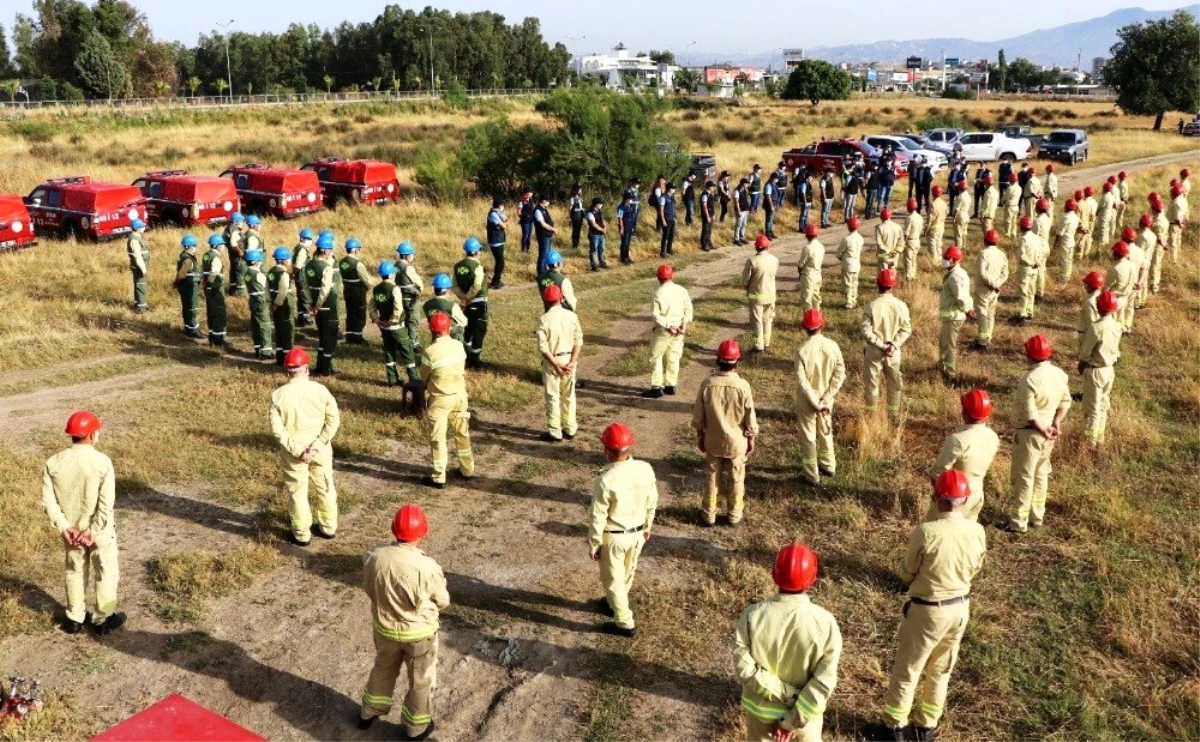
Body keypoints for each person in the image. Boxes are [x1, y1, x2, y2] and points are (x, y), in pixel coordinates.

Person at [873, 470, 987, 742]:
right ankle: (926, 726)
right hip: (959, 608)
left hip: (927, 609)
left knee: (908, 669)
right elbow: (977, 567)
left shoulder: (925, 532)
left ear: (937, 498)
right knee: (941, 670)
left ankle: (894, 727)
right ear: (967, 498)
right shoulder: (977, 531)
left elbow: (906, 571)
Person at [733, 543, 842, 742]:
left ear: (774, 574)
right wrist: (791, 718)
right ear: (812, 578)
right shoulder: (826, 623)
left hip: (760, 717)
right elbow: (824, 682)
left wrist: (784, 694)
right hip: (805, 722)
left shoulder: (751, 617)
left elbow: (744, 669)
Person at [358, 504, 449, 739]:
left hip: (385, 630)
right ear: (423, 532)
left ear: (393, 529)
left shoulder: (373, 557)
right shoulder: (427, 567)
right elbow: (442, 601)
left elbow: (368, 587)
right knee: (420, 680)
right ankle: (416, 728)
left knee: (383, 668)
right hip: (419, 635)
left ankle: (368, 713)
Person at [42, 410, 124, 635]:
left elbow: (48, 501)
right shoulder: (102, 462)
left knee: (74, 571)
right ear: (92, 434)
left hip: (71, 532)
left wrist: (65, 527)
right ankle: (102, 618)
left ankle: (75, 618)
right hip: (100, 533)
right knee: (105, 571)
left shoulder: (53, 462)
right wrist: (92, 531)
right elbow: (106, 504)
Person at [589, 422, 658, 637]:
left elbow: (598, 515)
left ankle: (624, 622)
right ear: (630, 447)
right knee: (627, 573)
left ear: (606, 450)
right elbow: (652, 500)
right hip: (637, 534)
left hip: (614, 537)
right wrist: (648, 526)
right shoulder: (645, 469)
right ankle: (613, 603)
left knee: (613, 580)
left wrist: (594, 543)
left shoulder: (605, 480)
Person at [998, 335, 1071, 534]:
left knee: (1024, 478)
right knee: (1041, 475)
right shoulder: (1060, 374)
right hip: (1049, 434)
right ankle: (1037, 516)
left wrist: (1041, 427)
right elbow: (1065, 402)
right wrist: (1055, 423)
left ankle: (1018, 523)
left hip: (1031, 434)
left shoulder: (1029, 379)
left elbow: (1030, 414)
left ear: (1028, 354)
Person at [270, 348, 340, 545]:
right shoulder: (321, 391)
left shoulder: (278, 395)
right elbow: (332, 422)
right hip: (321, 450)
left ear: (287, 371)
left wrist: (298, 450)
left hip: (294, 453)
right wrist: (316, 446)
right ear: (307, 368)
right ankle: (328, 526)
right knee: (325, 485)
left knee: (297, 491)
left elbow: (278, 431)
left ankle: (301, 532)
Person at [692, 340, 757, 527]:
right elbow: (749, 416)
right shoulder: (743, 386)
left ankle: (708, 515)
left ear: (717, 360)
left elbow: (698, 416)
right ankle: (734, 515)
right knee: (737, 479)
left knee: (712, 477)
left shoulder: (707, 384)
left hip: (713, 441)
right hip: (738, 443)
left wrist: (700, 436)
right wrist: (751, 437)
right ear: (738, 362)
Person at [420, 312, 474, 489]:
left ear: (431, 330)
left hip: (440, 399)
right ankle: (467, 469)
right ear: (449, 328)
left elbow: (424, 376)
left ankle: (439, 476)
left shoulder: (429, 352)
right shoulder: (459, 346)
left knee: (438, 439)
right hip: (459, 396)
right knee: (462, 433)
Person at [927, 389, 999, 522]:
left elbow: (938, 473)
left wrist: (938, 496)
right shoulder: (993, 437)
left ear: (964, 413)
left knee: (938, 531)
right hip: (978, 493)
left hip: (954, 496)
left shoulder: (957, 440)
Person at [795, 309, 845, 487]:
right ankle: (829, 465)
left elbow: (802, 381)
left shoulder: (802, 350)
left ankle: (811, 474)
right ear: (822, 325)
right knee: (825, 430)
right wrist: (826, 398)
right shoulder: (833, 346)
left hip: (807, 401)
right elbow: (840, 374)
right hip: (826, 400)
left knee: (808, 436)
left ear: (804, 328)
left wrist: (815, 402)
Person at [862, 269, 911, 421]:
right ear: (893, 286)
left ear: (877, 284)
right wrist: (894, 345)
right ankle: (894, 414)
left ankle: (871, 416)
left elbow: (865, 330)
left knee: (872, 384)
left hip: (874, 351)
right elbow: (906, 329)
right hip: (893, 353)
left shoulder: (871, 306)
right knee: (895, 383)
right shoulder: (901, 306)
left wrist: (880, 344)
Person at [537, 285, 583, 443]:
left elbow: (543, 347)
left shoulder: (543, 320)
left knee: (552, 397)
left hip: (552, 361)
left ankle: (555, 432)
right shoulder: (571, 316)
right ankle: (570, 428)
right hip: (569, 358)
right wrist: (572, 361)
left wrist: (556, 365)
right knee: (569, 396)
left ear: (545, 301)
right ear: (561, 298)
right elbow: (578, 340)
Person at [1079, 290, 1122, 448]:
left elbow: (1085, 353)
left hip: (1095, 370)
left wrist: (1082, 366)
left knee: (1092, 409)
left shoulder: (1096, 328)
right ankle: (1099, 438)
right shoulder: (1117, 326)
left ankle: (1089, 443)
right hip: (1109, 370)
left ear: (1098, 307)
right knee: (1103, 406)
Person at [644, 264, 693, 398]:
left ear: (658, 278)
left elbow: (656, 315)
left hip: (663, 329)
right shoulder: (682, 290)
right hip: (679, 328)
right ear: (672, 276)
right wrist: (684, 324)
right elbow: (688, 309)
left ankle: (656, 387)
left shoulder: (658, 293)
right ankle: (671, 385)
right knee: (674, 356)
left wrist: (667, 325)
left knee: (656, 356)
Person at [371, 261, 419, 387]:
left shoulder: (376, 289)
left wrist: (377, 320)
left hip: (384, 327)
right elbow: (398, 309)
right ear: (392, 275)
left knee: (389, 351)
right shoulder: (395, 289)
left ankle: (392, 380)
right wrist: (392, 321)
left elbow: (371, 307)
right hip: (396, 327)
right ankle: (414, 379)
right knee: (407, 351)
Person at [306, 234, 342, 376]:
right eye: (330, 250)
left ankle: (320, 366)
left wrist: (311, 304)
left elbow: (306, 286)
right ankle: (327, 369)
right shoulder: (326, 267)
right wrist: (318, 305)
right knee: (329, 338)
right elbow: (325, 289)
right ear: (325, 251)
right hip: (327, 306)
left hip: (315, 306)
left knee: (322, 336)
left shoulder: (309, 265)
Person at [938, 246, 974, 381]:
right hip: (950, 316)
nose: (944, 260)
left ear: (954, 260)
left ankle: (950, 373)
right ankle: (942, 366)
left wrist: (967, 309)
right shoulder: (958, 273)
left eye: (947, 258)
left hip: (953, 316)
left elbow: (960, 297)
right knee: (943, 342)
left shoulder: (954, 277)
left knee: (949, 345)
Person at [453, 238, 489, 369]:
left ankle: (465, 354)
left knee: (467, 329)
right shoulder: (478, 266)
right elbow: (477, 286)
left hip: (465, 302)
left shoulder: (457, 266)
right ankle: (475, 360)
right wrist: (469, 297)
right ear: (476, 252)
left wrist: (463, 297)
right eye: (480, 249)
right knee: (479, 330)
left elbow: (455, 285)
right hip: (478, 302)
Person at [973, 229, 1009, 350]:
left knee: (982, 314)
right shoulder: (1001, 254)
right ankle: (988, 336)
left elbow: (982, 273)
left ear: (985, 241)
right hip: (995, 290)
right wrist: (997, 284)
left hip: (984, 289)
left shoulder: (983, 254)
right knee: (990, 313)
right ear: (997, 242)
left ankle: (982, 341)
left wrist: (992, 284)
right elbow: (1005, 273)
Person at [743, 235, 778, 352]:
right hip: (771, 295)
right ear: (768, 246)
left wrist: (746, 287)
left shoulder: (752, 261)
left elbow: (745, 279)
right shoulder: (774, 259)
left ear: (756, 247)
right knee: (768, 320)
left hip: (756, 296)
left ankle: (759, 345)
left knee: (757, 321)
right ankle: (767, 342)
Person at [337, 238, 371, 345]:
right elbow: (365, 279)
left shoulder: (342, 262)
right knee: (359, 315)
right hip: (358, 292)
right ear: (356, 250)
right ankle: (357, 338)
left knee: (350, 314)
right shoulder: (357, 263)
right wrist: (369, 287)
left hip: (347, 290)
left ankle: (350, 337)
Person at [245, 249, 275, 360]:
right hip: (261, 302)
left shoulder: (247, 273)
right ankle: (266, 352)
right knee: (265, 325)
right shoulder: (258, 274)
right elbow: (267, 286)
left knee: (256, 325)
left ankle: (258, 349)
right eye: (259, 260)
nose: (261, 262)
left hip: (253, 301)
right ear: (255, 262)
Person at [268, 247, 296, 366]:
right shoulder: (283, 273)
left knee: (278, 331)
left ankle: (279, 358)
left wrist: (270, 302)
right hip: (283, 306)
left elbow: (266, 289)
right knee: (287, 331)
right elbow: (283, 291)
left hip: (274, 304)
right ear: (283, 260)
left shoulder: (270, 271)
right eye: (288, 258)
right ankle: (288, 359)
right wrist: (277, 304)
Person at [395, 242, 425, 351]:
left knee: (402, 320)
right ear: (407, 256)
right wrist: (420, 289)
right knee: (413, 320)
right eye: (412, 254)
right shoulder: (408, 268)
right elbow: (418, 282)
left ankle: (401, 341)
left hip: (400, 297)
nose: (413, 256)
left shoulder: (396, 265)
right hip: (411, 298)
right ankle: (413, 344)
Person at [423, 273, 467, 344]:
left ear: (434, 289)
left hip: (436, 337)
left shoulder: (426, 305)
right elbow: (464, 322)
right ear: (447, 291)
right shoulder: (452, 306)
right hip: (453, 337)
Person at [173, 234, 203, 339]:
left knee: (186, 307)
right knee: (192, 308)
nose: (195, 248)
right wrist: (176, 282)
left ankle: (188, 328)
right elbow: (181, 275)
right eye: (194, 246)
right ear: (189, 247)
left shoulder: (183, 256)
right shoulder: (188, 260)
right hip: (190, 287)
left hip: (186, 286)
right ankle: (194, 330)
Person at [1104, 240, 1136, 336]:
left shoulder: (1114, 269)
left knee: (1112, 324)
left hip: (1114, 299)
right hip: (1126, 297)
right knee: (1120, 319)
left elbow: (1106, 289)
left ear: (1115, 253)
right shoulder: (1132, 265)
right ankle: (1122, 332)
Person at [201, 233, 228, 347]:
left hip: (208, 288)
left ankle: (212, 336)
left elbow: (204, 272)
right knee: (219, 312)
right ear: (217, 245)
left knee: (211, 312)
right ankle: (219, 340)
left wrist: (205, 283)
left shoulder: (206, 255)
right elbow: (213, 273)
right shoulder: (216, 257)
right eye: (222, 244)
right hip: (216, 288)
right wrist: (209, 281)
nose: (223, 247)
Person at [1015, 217, 1041, 323]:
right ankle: (1030, 311)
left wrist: (1031, 263)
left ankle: (1022, 314)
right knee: (1031, 291)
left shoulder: (1023, 239)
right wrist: (1037, 262)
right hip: (1035, 269)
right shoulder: (1036, 237)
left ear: (1021, 227)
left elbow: (1022, 256)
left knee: (1023, 291)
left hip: (1026, 268)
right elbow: (1040, 252)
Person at [838, 217, 864, 309]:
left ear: (848, 227)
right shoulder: (860, 238)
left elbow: (839, 252)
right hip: (856, 263)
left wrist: (840, 257)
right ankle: (854, 300)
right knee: (855, 283)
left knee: (848, 284)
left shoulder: (846, 239)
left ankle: (849, 302)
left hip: (848, 264)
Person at [1077, 271, 1105, 358]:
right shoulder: (1101, 296)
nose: (1085, 287)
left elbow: (1090, 323)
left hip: (1086, 333)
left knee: (1085, 357)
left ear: (1090, 286)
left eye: (1086, 284)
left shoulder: (1089, 302)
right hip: (1099, 331)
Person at [797, 225, 824, 309]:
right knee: (816, 297)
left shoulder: (807, 248)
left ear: (806, 235)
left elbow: (801, 264)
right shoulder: (821, 246)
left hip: (808, 276)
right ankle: (817, 317)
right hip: (817, 274)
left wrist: (799, 273)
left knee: (807, 299)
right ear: (816, 235)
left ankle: (808, 319)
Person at [1135, 213, 1159, 305]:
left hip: (1141, 261)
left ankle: (1137, 302)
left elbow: (1138, 251)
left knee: (1138, 282)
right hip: (1148, 259)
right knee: (1144, 281)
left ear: (1140, 223)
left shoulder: (1142, 236)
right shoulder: (1153, 235)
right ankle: (1143, 300)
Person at [1054, 199, 1081, 283]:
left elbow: (1059, 233)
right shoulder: (1076, 217)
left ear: (1066, 207)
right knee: (1069, 260)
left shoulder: (1065, 218)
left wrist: (1055, 243)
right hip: (1071, 241)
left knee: (1064, 261)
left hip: (1065, 242)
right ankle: (1067, 276)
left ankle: (1063, 280)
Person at [126, 219, 149, 313]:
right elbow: (137, 256)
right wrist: (143, 270)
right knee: (141, 285)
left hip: (138, 266)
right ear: (137, 228)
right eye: (142, 226)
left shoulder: (137, 237)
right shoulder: (134, 240)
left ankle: (138, 304)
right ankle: (141, 308)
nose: (144, 228)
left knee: (138, 284)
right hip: (139, 267)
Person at [292, 228, 314, 326]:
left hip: (299, 277)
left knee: (301, 297)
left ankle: (301, 318)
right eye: (308, 239)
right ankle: (307, 320)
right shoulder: (302, 249)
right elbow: (298, 265)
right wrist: (293, 273)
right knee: (305, 298)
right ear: (302, 239)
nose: (310, 241)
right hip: (302, 276)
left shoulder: (297, 247)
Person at [486, 197, 509, 289]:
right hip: (495, 241)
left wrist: (503, 225)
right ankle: (495, 282)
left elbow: (507, 220)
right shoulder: (493, 214)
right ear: (500, 206)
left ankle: (497, 280)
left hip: (499, 240)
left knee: (500, 262)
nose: (503, 207)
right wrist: (503, 225)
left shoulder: (498, 213)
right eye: (503, 205)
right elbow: (504, 225)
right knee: (500, 262)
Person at [900, 197, 925, 281]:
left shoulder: (909, 218)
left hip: (910, 241)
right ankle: (913, 275)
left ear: (908, 208)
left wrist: (903, 243)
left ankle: (909, 277)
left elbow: (906, 233)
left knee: (908, 260)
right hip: (917, 240)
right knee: (914, 259)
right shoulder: (920, 217)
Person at [225, 212, 248, 297]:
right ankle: (241, 294)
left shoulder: (229, 228)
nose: (243, 222)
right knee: (240, 273)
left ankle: (232, 290)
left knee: (233, 272)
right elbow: (233, 243)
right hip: (238, 257)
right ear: (237, 221)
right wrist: (240, 252)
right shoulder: (235, 230)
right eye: (241, 220)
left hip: (232, 255)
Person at [534, 194, 556, 275]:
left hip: (548, 234)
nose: (548, 202)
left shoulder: (544, 209)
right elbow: (543, 224)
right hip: (543, 235)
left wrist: (551, 231)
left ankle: (546, 270)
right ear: (543, 200)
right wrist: (553, 229)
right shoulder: (537, 210)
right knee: (543, 254)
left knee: (548, 254)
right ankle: (541, 272)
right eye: (547, 201)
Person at [1167, 182, 1189, 263]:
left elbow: (1177, 217)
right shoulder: (1181, 200)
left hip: (1174, 225)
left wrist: (1180, 225)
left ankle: (1173, 261)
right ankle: (1177, 256)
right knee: (1177, 241)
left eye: (1171, 193)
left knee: (1173, 243)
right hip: (1177, 225)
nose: (1170, 195)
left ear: (1174, 194)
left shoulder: (1176, 203)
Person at [585, 197, 608, 270]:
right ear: (596, 204)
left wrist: (605, 227)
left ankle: (602, 262)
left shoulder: (599, 211)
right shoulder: (590, 213)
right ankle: (594, 265)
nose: (601, 205)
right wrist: (602, 229)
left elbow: (602, 220)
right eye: (600, 204)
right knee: (594, 250)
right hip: (594, 234)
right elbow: (593, 224)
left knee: (602, 249)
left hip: (601, 234)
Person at [616, 190, 638, 265]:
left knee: (628, 243)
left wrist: (632, 227)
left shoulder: (630, 206)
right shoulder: (621, 207)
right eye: (630, 198)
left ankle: (627, 257)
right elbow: (620, 218)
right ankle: (623, 258)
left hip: (629, 227)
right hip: (624, 227)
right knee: (624, 243)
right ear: (626, 198)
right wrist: (621, 228)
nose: (631, 200)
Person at [926, 185, 947, 259]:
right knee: (938, 245)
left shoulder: (932, 204)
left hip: (933, 228)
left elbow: (929, 219)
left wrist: (926, 230)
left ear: (933, 193)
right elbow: (945, 216)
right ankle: (940, 260)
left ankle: (935, 263)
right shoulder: (944, 203)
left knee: (932, 247)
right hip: (941, 227)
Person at [659, 181, 679, 257]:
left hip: (672, 218)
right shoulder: (663, 197)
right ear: (668, 189)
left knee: (671, 235)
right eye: (672, 188)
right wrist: (663, 220)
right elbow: (661, 210)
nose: (674, 189)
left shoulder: (672, 197)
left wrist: (675, 217)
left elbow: (674, 208)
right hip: (666, 219)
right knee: (666, 235)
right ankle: (663, 252)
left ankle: (669, 250)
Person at [1096, 182, 1117, 247]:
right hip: (1109, 214)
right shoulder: (1111, 196)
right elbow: (1115, 204)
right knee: (1106, 229)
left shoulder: (1105, 197)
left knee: (1102, 230)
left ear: (1105, 189)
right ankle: (1106, 242)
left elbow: (1099, 206)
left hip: (1104, 215)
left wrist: (1096, 213)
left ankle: (1102, 244)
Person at [1079, 186, 1098, 259]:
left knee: (1082, 239)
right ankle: (1087, 252)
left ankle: (1081, 255)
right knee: (1089, 237)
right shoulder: (1094, 201)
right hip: (1092, 222)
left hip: (1086, 222)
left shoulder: (1084, 202)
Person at [1000, 172, 1021, 238]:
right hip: (1016, 206)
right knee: (1014, 221)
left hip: (1010, 206)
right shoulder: (1019, 188)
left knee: (1008, 221)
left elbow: (1005, 197)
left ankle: (1007, 233)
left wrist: (1002, 201)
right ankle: (1013, 233)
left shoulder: (1010, 188)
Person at [952, 181, 971, 249]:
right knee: (964, 232)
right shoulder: (968, 195)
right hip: (966, 215)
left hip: (960, 216)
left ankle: (958, 249)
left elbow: (956, 209)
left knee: (958, 234)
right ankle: (964, 246)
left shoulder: (960, 197)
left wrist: (954, 218)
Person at [699, 181, 717, 251]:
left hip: (711, 215)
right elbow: (704, 206)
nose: (714, 188)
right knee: (705, 230)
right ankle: (704, 245)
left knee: (709, 230)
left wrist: (713, 214)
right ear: (709, 187)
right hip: (706, 215)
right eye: (713, 186)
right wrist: (707, 216)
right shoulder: (704, 195)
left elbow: (712, 206)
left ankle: (708, 243)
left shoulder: (710, 194)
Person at [733, 178, 752, 245]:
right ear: (743, 183)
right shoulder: (736, 191)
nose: (747, 185)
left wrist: (748, 209)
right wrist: (738, 211)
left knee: (744, 224)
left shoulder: (744, 190)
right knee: (738, 225)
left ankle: (742, 238)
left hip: (745, 210)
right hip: (740, 210)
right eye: (746, 183)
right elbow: (736, 201)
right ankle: (736, 239)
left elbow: (746, 199)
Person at [518, 187, 535, 255]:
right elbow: (518, 212)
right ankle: (523, 250)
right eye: (530, 193)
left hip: (531, 221)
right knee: (525, 235)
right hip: (525, 222)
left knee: (529, 235)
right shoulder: (521, 201)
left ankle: (528, 249)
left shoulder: (531, 200)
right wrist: (524, 217)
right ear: (526, 193)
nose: (531, 194)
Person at [568, 182, 586, 250]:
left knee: (578, 230)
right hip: (575, 216)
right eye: (580, 189)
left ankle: (576, 244)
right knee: (575, 230)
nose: (581, 190)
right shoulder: (572, 198)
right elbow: (570, 208)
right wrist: (571, 216)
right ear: (576, 190)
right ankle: (574, 245)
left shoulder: (579, 197)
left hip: (580, 215)